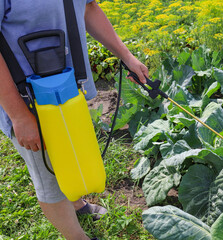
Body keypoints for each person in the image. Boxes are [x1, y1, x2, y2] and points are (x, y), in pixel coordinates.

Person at [0, 0, 148, 239]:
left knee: (70, 150)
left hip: (70, 91)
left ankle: (76, 203)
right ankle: (77, 237)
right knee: (48, 175)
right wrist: (19, 116)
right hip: (28, 101)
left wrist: (127, 56)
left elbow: (89, 8)